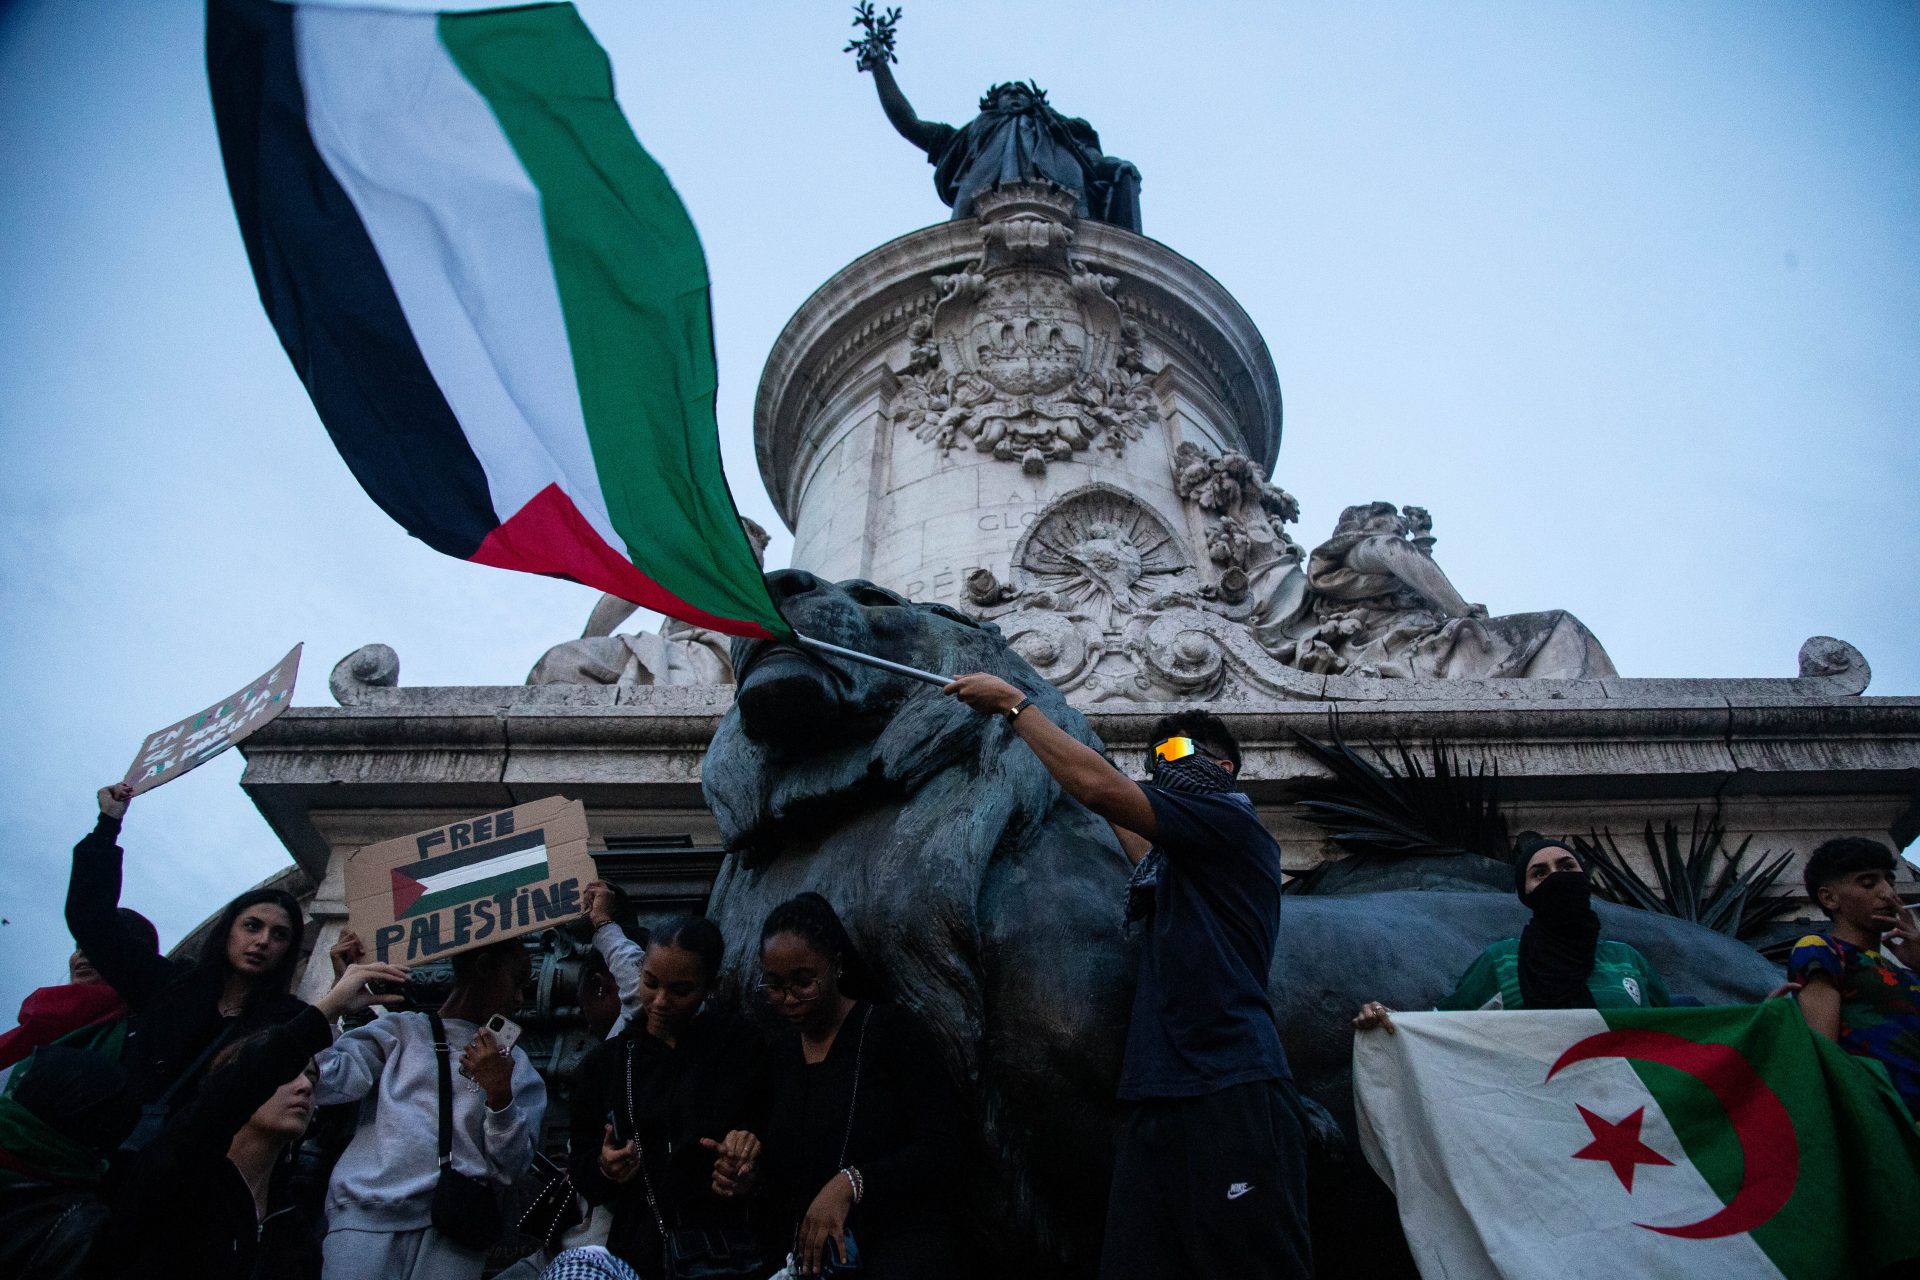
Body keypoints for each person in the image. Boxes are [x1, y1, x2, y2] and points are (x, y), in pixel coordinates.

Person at [943, 678, 1308, 1280]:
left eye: (1175, 754)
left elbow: (1101, 790)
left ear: (1225, 765)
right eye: (1153, 761)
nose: (1162, 768)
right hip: (1155, 1091)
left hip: (1228, 1082)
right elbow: (1126, 823)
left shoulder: (1232, 823)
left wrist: (1016, 706)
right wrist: (1071, 738)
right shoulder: (1177, 861)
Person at [98, 956, 411, 1279]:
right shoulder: (178, 1169)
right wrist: (329, 1007)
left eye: (312, 1078)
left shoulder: (295, 1226)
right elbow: (240, 1085)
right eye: (289, 1074)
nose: (304, 1086)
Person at [727, 892, 963, 1279]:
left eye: (804, 982)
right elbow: (780, 1167)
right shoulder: (778, 1055)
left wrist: (851, 1183)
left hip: (894, 1255)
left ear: (835, 966)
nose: (788, 999)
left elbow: (942, 1147)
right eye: (774, 985)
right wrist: (744, 1171)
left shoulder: (893, 1033)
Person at [315, 935, 546, 1280]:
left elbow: (512, 1168)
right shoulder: (398, 1031)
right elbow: (326, 1082)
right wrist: (334, 1001)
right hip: (365, 1219)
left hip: (455, 1231)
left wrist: (500, 1095)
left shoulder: (517, 1066)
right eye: (516, 981)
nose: (520, 998)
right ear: (483, 968)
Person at [65, 783, 308, 1106]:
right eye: (252, 926)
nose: (263, 941)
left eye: (279, 935)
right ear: (228, 931)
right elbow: (91, 918)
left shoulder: (286, 1018)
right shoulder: (169, 984)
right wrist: (108, 824)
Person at [565, 916, 765, 1279]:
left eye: (680, 990)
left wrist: (744, 1157)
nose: (660, 1002)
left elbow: (770, 1131)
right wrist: (605, 1166)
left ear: (710, 987)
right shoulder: (605, 1066)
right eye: (650, 983)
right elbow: (581, 1170)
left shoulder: (741, 1047)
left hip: (725, 1253)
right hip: (638, 1255)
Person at [1352, 833, 1671, 1034]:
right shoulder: (1502, 961)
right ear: (1526, 894)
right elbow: (1441, 1028)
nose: (1556, 878)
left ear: (1584, 879)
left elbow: (1680, 1037)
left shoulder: (1627, 960)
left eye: (1566, 867)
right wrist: (1387, 1019)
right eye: (1540, 873)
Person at [1788, 837, 1920, 1121]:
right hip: (1883, 1121)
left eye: (1890, 880)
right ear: (1829, 898)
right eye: (1868, 883)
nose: (1887, 893)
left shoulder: (1905, 972)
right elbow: (1822, 1052)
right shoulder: (1822, 949)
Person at [0, 907, 159, 1075]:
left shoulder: (138, 1032)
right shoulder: (41, 1021)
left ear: (136, 957)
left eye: (98, 943)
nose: (82, 952)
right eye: (79, 945)